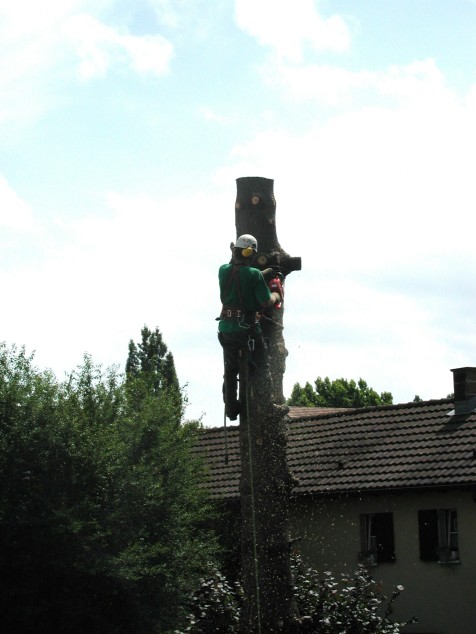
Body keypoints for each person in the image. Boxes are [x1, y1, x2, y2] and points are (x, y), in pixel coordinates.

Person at [217, 234, 283, 421]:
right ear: (250, 254)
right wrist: (277, 294)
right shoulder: (253, 275)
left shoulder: (223, 270)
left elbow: (238, 275)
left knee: (230, 370)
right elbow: (266, 300)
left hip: (226, 329)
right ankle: (267, 398)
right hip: (247, 331)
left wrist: (263, 274)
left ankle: (231, 409)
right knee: (263, 362)